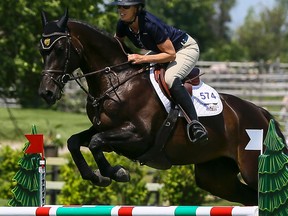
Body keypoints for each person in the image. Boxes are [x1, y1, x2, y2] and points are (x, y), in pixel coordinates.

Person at [109, 0, 208, 143]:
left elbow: (170, 54)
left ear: (136, 8)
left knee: (170, 78)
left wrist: (142, 58)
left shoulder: (150, 24)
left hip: (184, 49)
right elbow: (116, 45)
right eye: (119, 6)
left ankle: (195, 124)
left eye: (125, 6)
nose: (121, 10)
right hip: (161, 51)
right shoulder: (122, 24)